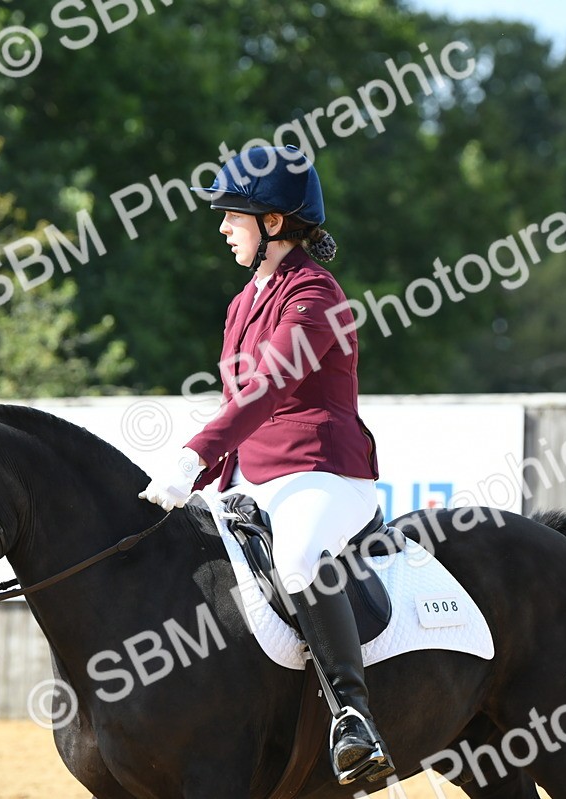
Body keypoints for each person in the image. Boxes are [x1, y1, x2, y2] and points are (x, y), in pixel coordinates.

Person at [138, 145, 393, 784]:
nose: (222, 228)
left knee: (300, 556)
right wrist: (206, 480)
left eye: (234, 216)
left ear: (273, 223)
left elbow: (267, 390)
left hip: (323, 475)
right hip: (251, 479)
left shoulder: (315, 294)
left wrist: (190, 455)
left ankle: (352, 717)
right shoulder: (242, 304)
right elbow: (237, 407)